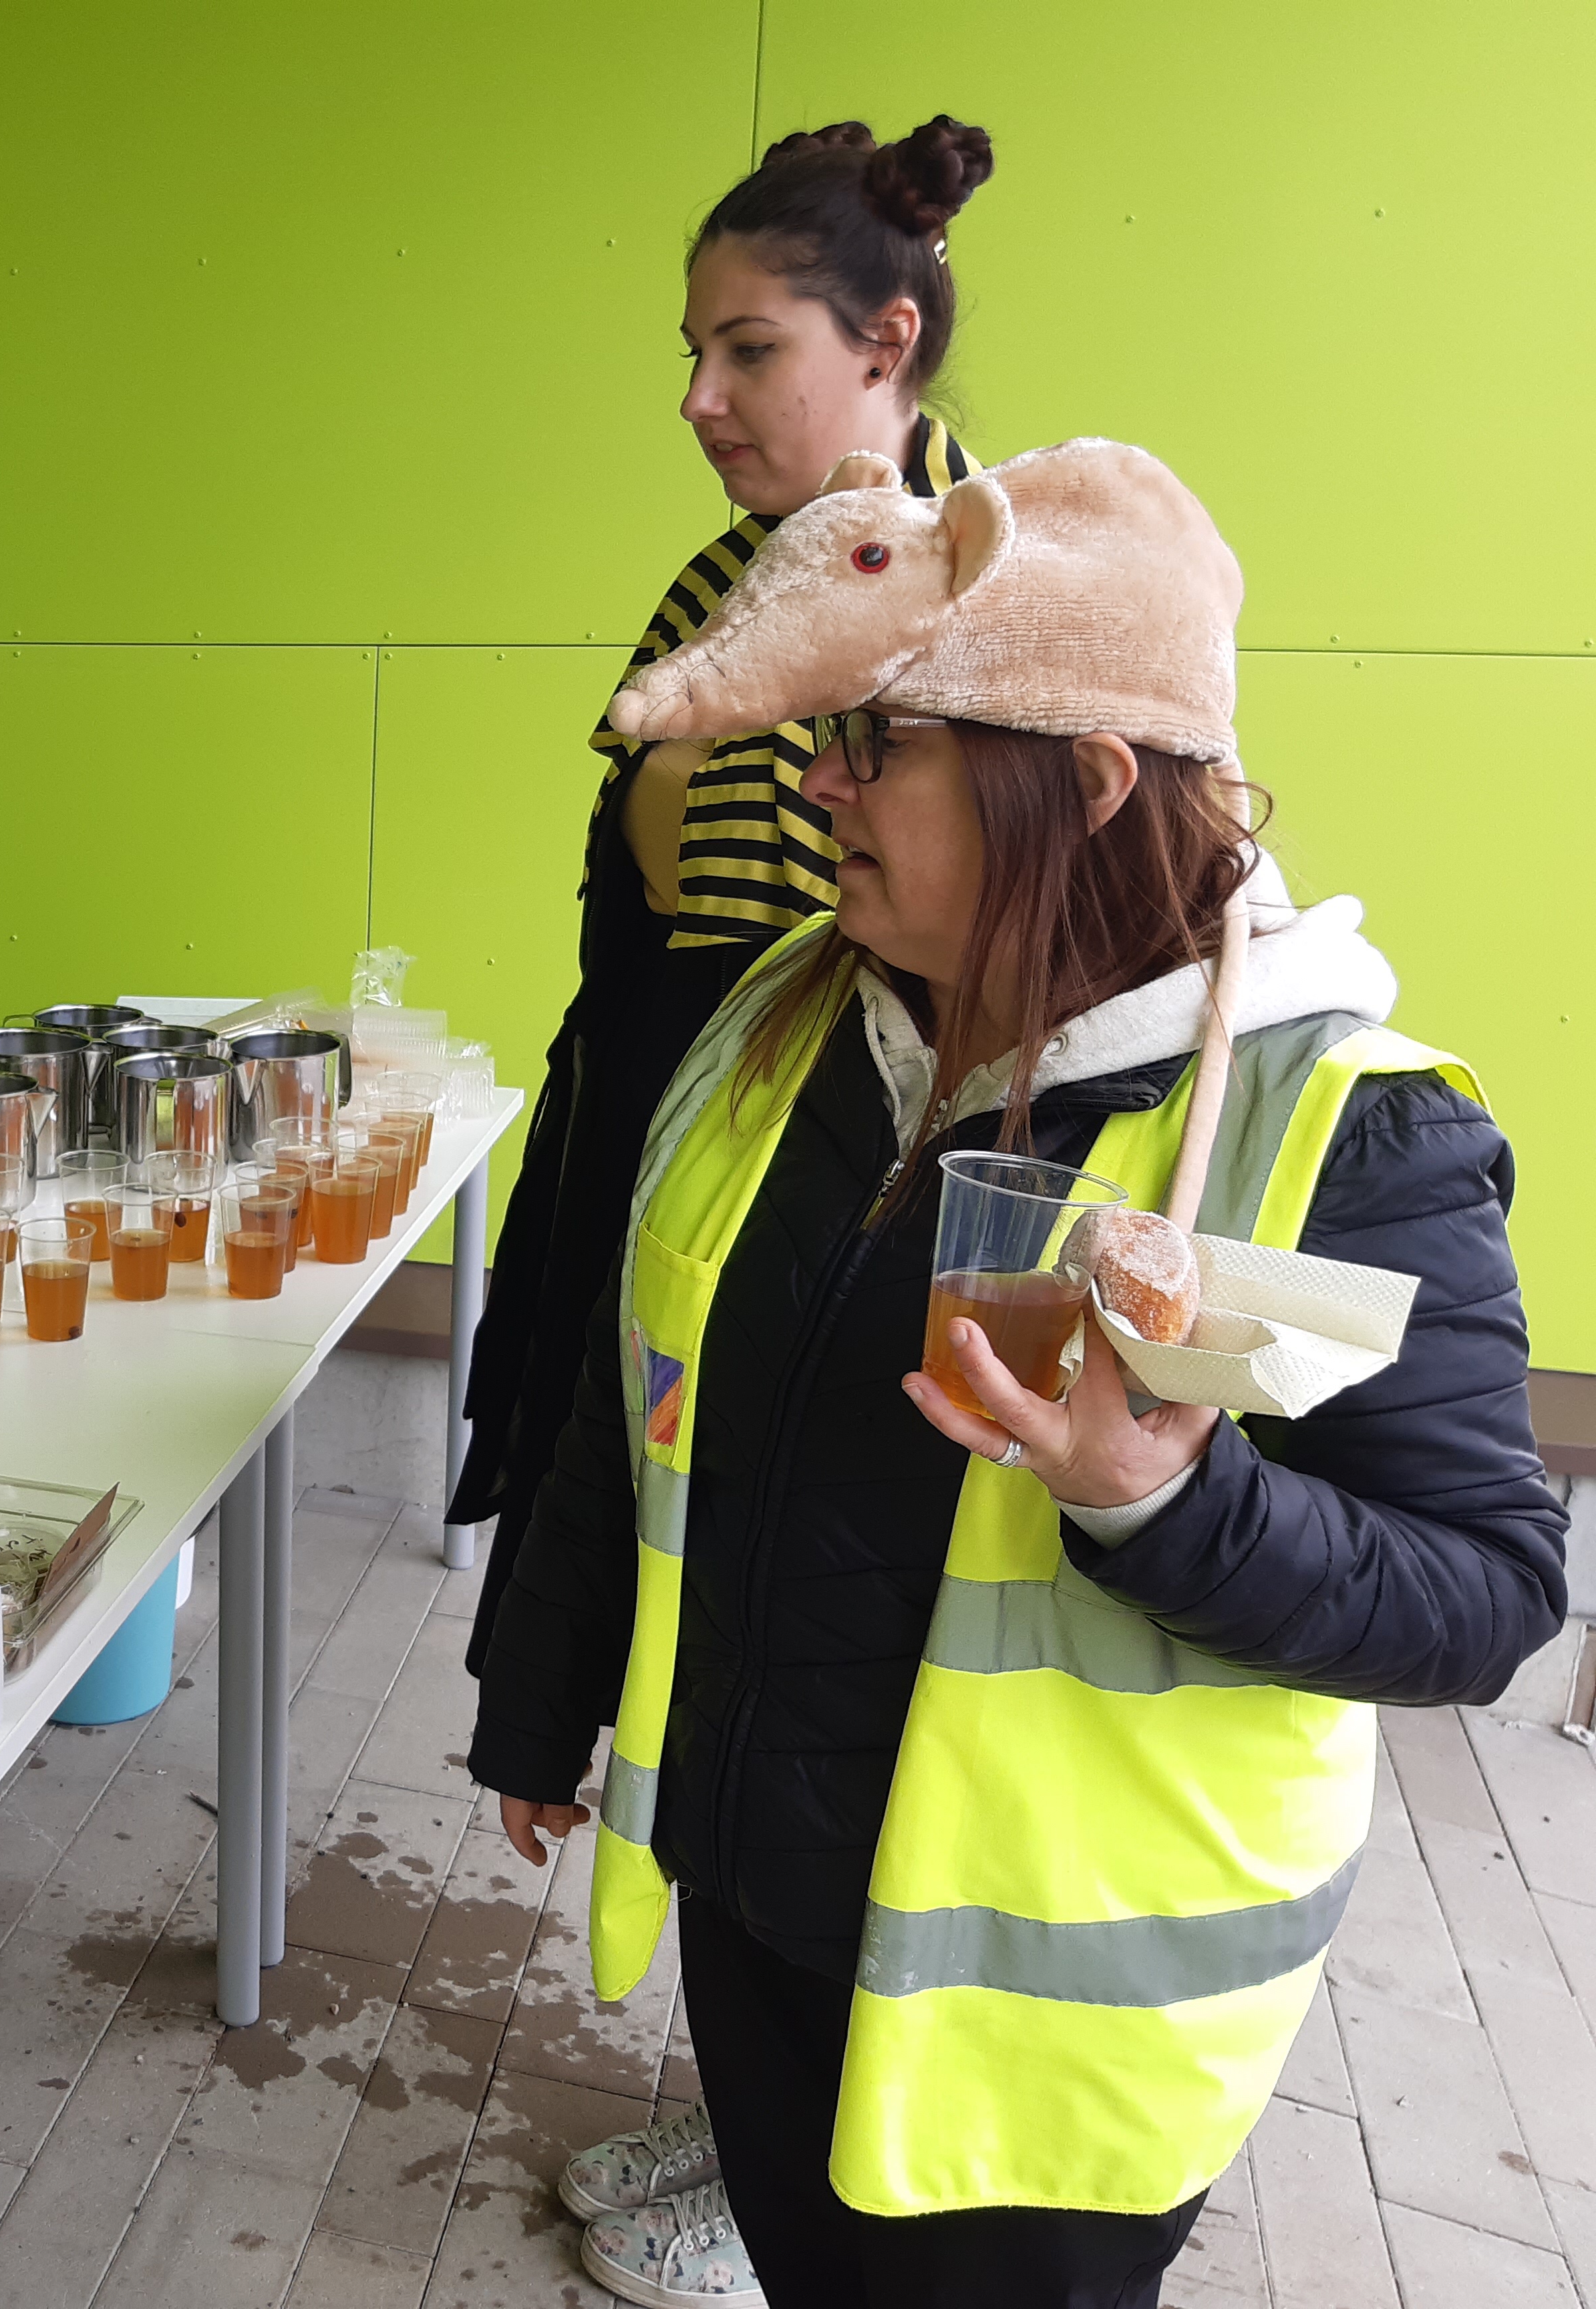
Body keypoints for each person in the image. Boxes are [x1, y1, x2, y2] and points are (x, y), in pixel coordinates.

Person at [470, 438, 1569, 2308]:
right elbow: (634, 1376)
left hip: (1052, 2050)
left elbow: (1486, 1596)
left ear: (1091, 779)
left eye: (880, 741)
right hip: (761, 1901)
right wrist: (540, 1684)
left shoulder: (1347, 1132)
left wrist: (1163, 1498)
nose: (818, 781)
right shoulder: (787, 1014)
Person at [453, 116, 993, 1605]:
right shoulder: (730, 573)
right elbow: (649, 894)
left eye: (750, 351)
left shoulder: (987, 591)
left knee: (764, 1574)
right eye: (695, 354)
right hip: (657, 1116)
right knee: (615, 1572)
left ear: (887, 341)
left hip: (846, 1185)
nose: (700, 399)